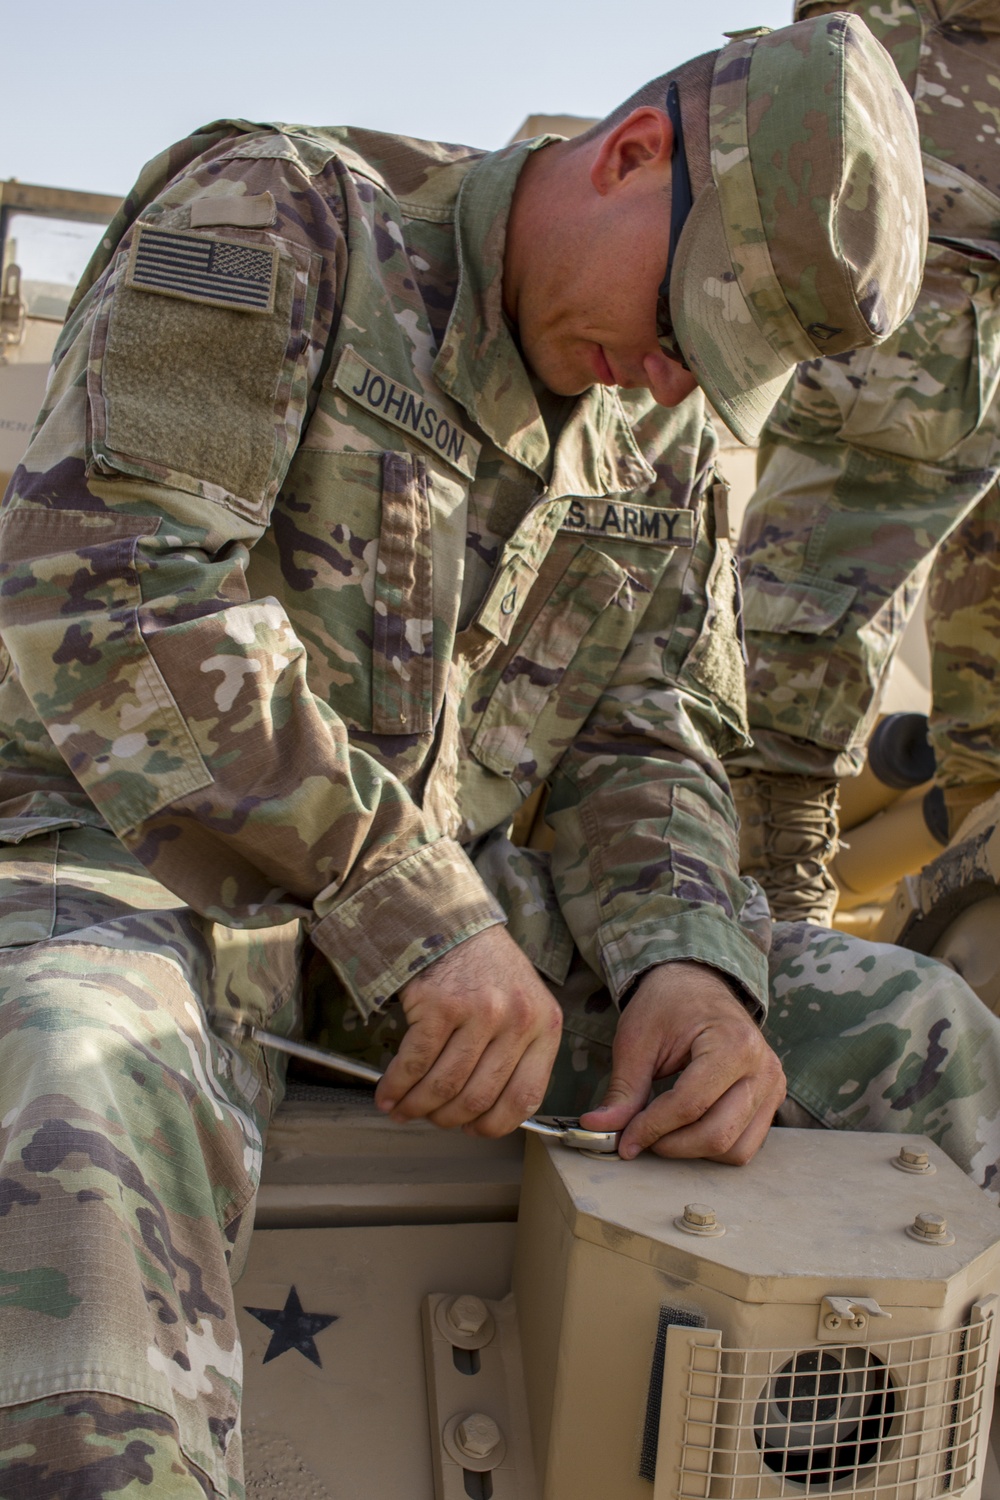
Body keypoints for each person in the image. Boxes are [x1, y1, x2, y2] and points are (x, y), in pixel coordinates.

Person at [1, 16, 995, 1497]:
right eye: (680, 332)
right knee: (77, 1085)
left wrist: (690, 970)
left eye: (709, 370)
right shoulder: (278, 221)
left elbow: (643, 728)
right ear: (633, 155)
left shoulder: (659, 412)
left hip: (463, 941)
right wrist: (413, 908)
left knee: (920, 1032)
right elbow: (116, 590)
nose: (668, 385)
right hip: (148, 881)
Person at [730, 0, 1000, 923]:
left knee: (991, 760)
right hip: (927, 259)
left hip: (948, 277)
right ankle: (768, 948)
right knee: (796, 671)